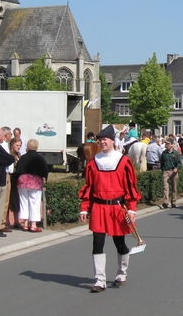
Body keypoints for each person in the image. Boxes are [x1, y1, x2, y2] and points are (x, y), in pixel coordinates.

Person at [79, 125, 142, 292]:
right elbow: (89, 186)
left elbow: (130, 187)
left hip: (117, 208)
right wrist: (84, 208)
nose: (102, 142)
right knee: (97, 243)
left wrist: (132, 209)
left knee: (119, 243)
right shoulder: (94, 162)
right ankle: (99, 280)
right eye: (100, 140)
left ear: (112, 141)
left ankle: (122, 273)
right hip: (99, 208)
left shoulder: (123, 161)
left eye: (104, 140)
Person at [17, 138, 49, 232]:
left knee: (24, 202)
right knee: (34, 203)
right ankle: (33, 225)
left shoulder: (23, 157)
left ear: (28, 147)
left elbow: (18, 168)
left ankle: (25, 223)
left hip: (22, 181)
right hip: (35, 182)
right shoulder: (40, 158)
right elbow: (45, 170)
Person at [0, 126, 14, 233]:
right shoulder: (3, 145)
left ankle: (3, 221)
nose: (11, 136)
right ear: (6, 135)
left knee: (6, 200)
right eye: (10, 134)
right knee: (4, 200)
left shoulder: (5, 145)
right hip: (5, 174)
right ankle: (2, 222)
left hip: (7, 173)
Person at [160, 138, 182, 208]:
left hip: (174, 172)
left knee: (174, 188)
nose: (167, 145)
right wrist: (163, 170)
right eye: (166, 144)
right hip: (166, 171)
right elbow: (162, 163)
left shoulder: (176, 153)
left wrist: (176, 168)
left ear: (172, 145)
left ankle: (174, 202)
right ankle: (166, 202)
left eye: (168, 144)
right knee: (165, 187)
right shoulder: (164, 153)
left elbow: (179, 163)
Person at [8, 136, 23, 229]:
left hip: (18, 179)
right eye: (17, 145)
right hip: (12, 178)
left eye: (20, 145)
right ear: (12, 145)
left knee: (16, 200)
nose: (18, 147)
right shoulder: (10, 155)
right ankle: (7, 221)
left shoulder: (19, 154)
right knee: (10, 200)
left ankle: (16, 221)